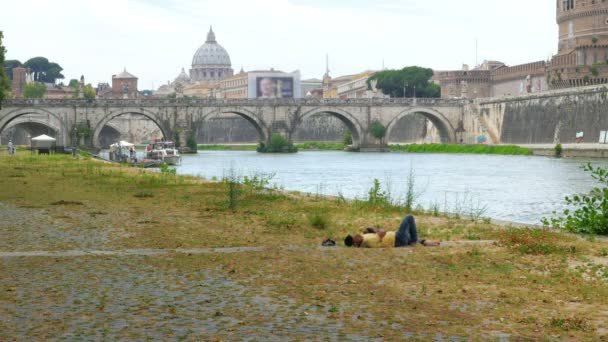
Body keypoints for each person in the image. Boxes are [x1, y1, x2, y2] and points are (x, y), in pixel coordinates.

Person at [344, 215, 440, 248]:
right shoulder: (367, 242)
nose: (356, 235)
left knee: (409, 238)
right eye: (354, 237)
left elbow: (373, 235)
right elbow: (382, 233)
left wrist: (370, 230)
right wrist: (376, 230)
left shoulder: (363, 239)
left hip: (398, 239)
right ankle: (414, 241)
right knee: (409, 217)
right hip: (397, 238)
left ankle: (425, 242)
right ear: (355, 243)